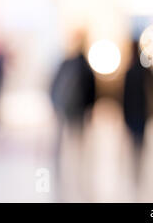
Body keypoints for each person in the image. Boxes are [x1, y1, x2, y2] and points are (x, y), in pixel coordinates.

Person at [50, 30, 96, 199]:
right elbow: (92, 90)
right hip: (76, 110)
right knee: (76, 140)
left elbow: (54, 85)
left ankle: (66, 169)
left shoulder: (66, 63)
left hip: (66, 109)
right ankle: (74, 167)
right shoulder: (83, 64)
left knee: (65, 141)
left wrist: (55, 105)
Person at [123, 41, 153, 185]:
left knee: (136, 144)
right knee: (139, 144)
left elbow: (125, 98)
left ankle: (137, 173)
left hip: (136, 115)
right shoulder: (145, 71)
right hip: (141, 115)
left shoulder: (131, 71)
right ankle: (138, 173)